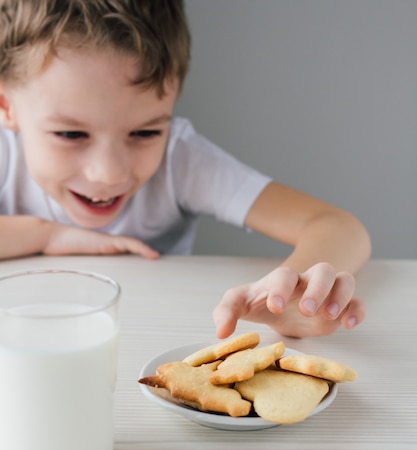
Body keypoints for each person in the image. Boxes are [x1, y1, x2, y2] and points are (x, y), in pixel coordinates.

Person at [0, 0, 371, 339]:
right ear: (6, 106)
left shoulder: (180, 160)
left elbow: (338, 226)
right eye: (70, 133)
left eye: (145, 132)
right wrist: (45, 236)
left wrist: (294, 290)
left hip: (156, 339)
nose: (108, 174)